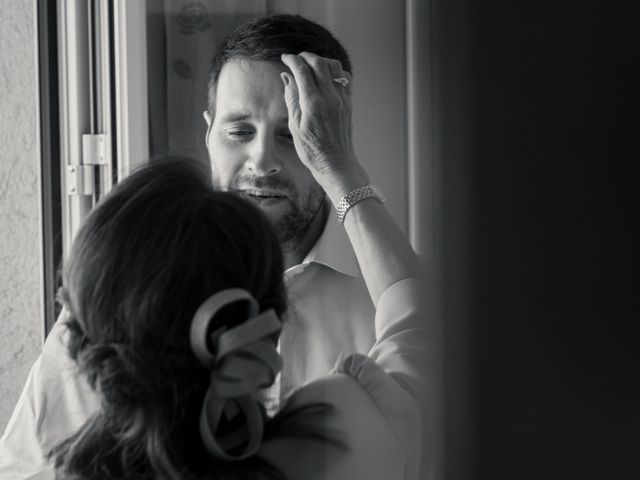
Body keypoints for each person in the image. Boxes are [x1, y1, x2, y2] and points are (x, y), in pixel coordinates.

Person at [1, 14, 431, 478]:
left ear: (332, 134)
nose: (262, 160)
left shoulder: (372, 295)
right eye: (239, 131)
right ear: (208, 133)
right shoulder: (113, 299)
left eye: (293, 134)